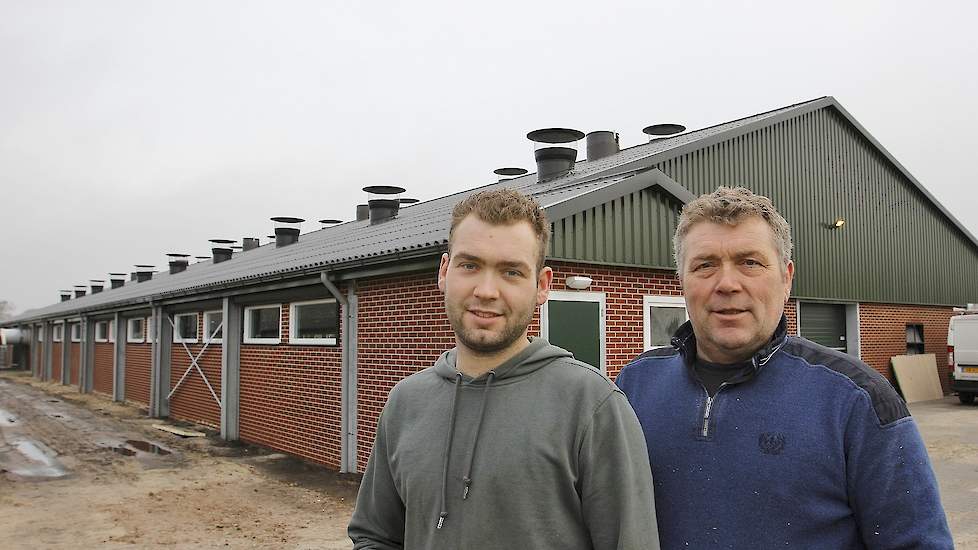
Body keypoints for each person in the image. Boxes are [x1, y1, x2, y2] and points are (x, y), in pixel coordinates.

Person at [617, 186, 953, 549]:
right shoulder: (635, 385)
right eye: (705, 265)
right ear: (681, 281)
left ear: (786, 277)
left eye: (750, 262)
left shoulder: (858, 401)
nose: (727, 283)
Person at [349, 189, 658, 550]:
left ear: (542, 286)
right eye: (470, 266)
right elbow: (375, 537)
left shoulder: (592, 406)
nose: (486, 290)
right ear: (445, 271)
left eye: (511, 272)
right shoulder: (406, 402)